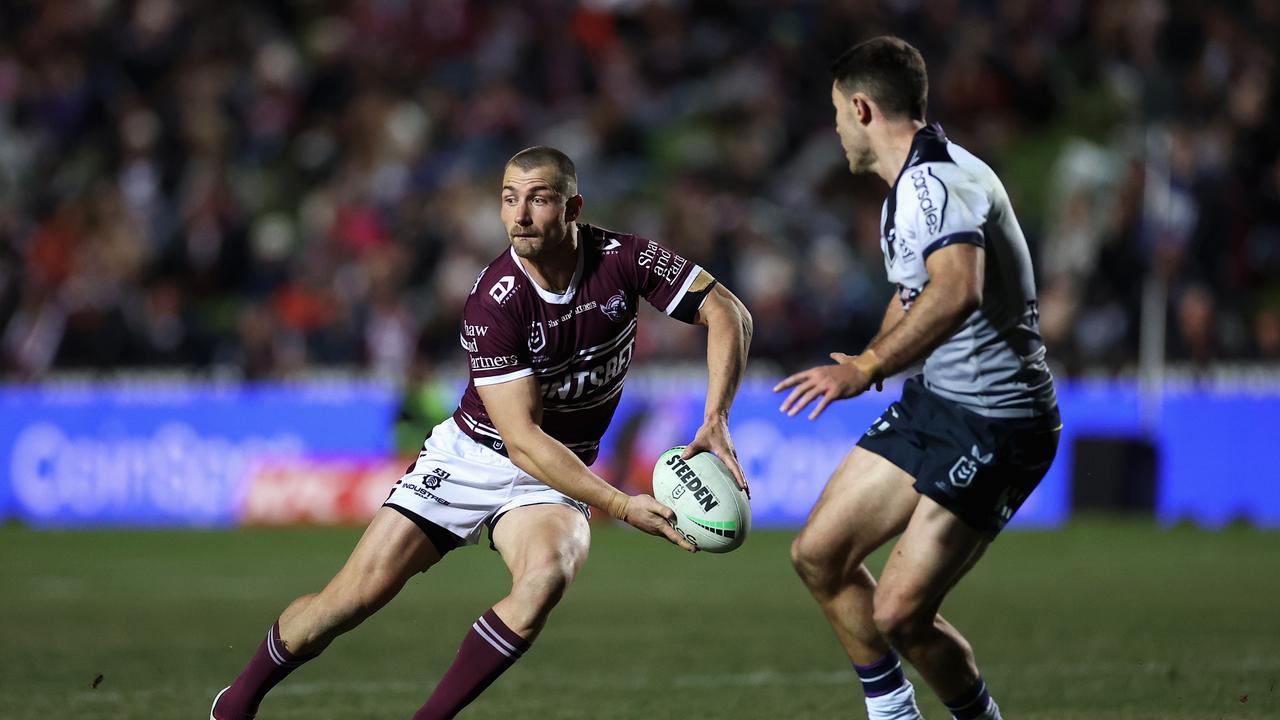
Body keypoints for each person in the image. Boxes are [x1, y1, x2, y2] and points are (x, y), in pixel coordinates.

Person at [211, 146, 753, 719]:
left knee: (545, 577)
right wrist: (620, 504)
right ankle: (236, 703)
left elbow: (728, 312)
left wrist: (715, 417)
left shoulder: (625, 259)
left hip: (556, 474)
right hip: (475, 456)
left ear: (574, 207)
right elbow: (520, 440)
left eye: (538, 199)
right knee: (349, 600)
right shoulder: (495, 302)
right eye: (508, 198)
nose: (519, 215)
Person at [775, 37, 1060, 720]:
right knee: (819, 554)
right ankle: (894, 716)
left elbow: (956, 287)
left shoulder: (936, 183)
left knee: (900, 613)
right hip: (936, 403)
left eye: (839, 113)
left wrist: (870, 365)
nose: (837, 127)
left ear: (863, 108)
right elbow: (913, 294)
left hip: (999, 422)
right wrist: (866, 360)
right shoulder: (911, 188)